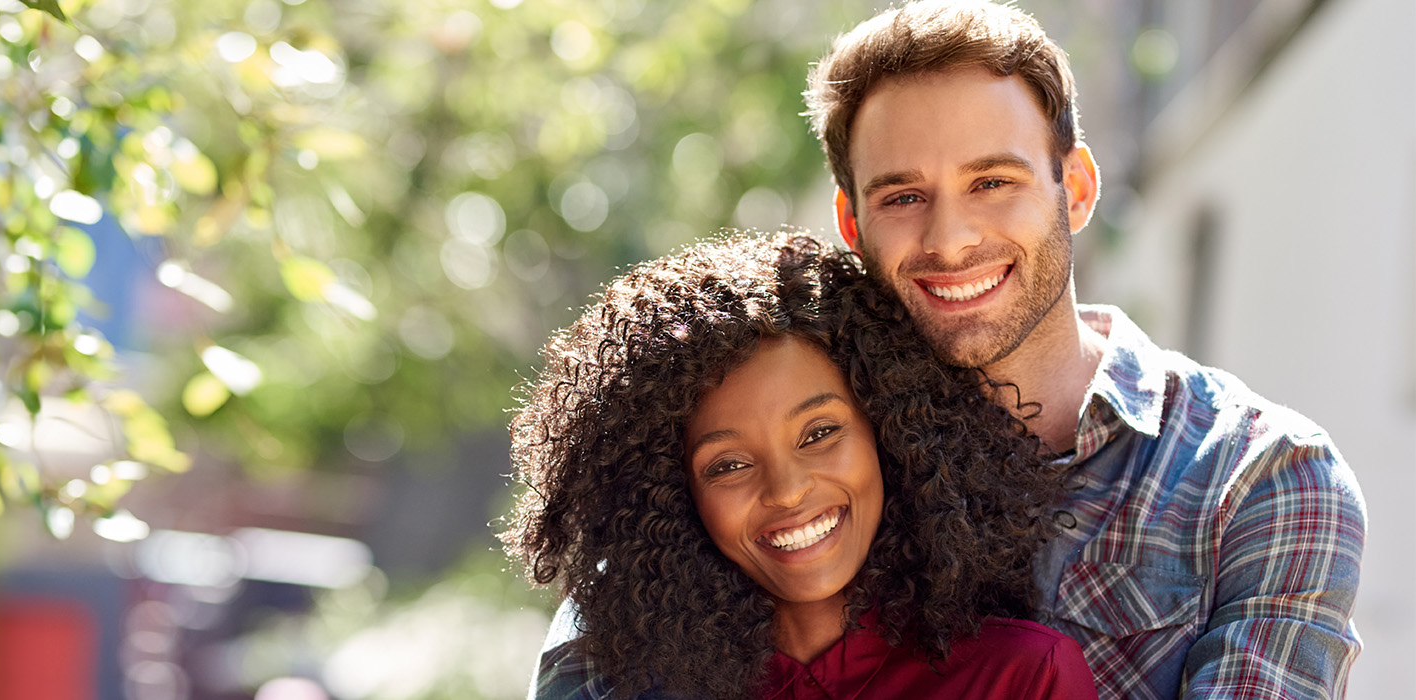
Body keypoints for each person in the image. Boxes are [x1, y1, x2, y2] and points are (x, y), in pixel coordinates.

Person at [528, 2, 1366, 699]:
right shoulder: (777, 457)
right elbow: (595, 658)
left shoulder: (1258, 478)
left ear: (1073, 189)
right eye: (904, 196)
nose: (950, 238)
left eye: (992, 181)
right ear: (851, 225)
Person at [504, 232, 1099, 699]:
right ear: (675, 494)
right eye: (729, 464)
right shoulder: (621, 688)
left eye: (819, 433)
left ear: (890, 433)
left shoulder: (1026, 678)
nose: (787, 490)